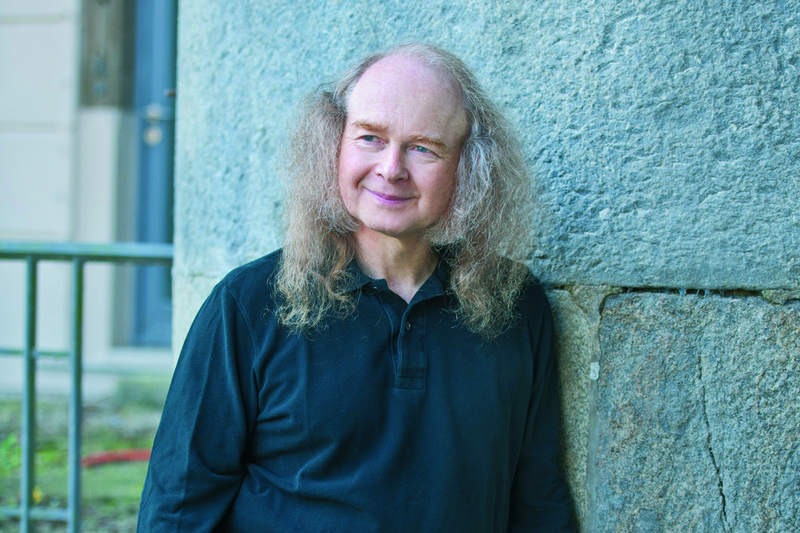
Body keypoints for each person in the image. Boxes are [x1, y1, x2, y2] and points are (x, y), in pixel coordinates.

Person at [137, 43, 574, 532]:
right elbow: (179, 508)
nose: (391, 169)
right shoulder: (248, 304)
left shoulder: (513, 303)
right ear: (335, 145)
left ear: (469, 166)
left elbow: (538, 499)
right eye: (370, 137)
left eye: (423, 147)